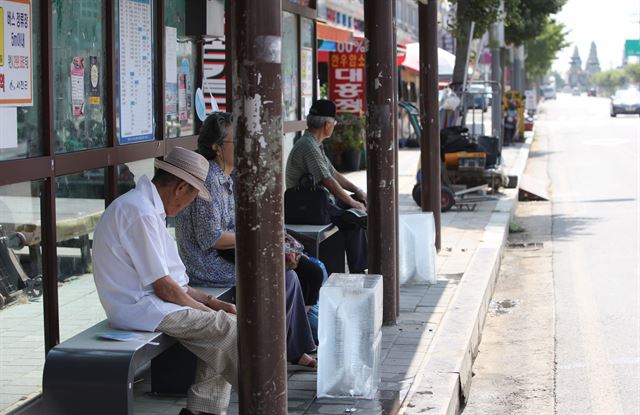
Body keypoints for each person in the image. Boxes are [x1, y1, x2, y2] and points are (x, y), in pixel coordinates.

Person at [92, 147, 237, 415]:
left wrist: (210, 301)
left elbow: (176, 283)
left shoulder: (145, 208)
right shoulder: (140, 212)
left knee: (224, 328)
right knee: (230, 330)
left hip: (153, 304)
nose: (188, 205)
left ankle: (204, 411)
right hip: (142, 308)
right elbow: (165, 287)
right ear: (182, 188)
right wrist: (206, 311)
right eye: (193, 197)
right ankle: (261, 398)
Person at [175, 112, 318, 366]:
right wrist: (257, 239)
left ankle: (291, 349)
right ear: (217, 147)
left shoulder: (225, 177)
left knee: (291, 272)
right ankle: (269, 353)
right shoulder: (208, 180)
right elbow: (212, 238)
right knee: (280, 275)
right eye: (237, 141)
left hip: (226, 256)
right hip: (207, 264)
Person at [285, 99, 368, 273]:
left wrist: (357, 192)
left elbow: (334, 174)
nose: (334, 125)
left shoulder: (314, 144)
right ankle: (358, 270)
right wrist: (352, 204)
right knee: (354, 218)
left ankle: (360, 267)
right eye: (334, 122)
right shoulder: (308, 146)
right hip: (306, 207)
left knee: (357, 209)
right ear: (327, 124)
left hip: (317, 202)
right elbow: (327, 180)